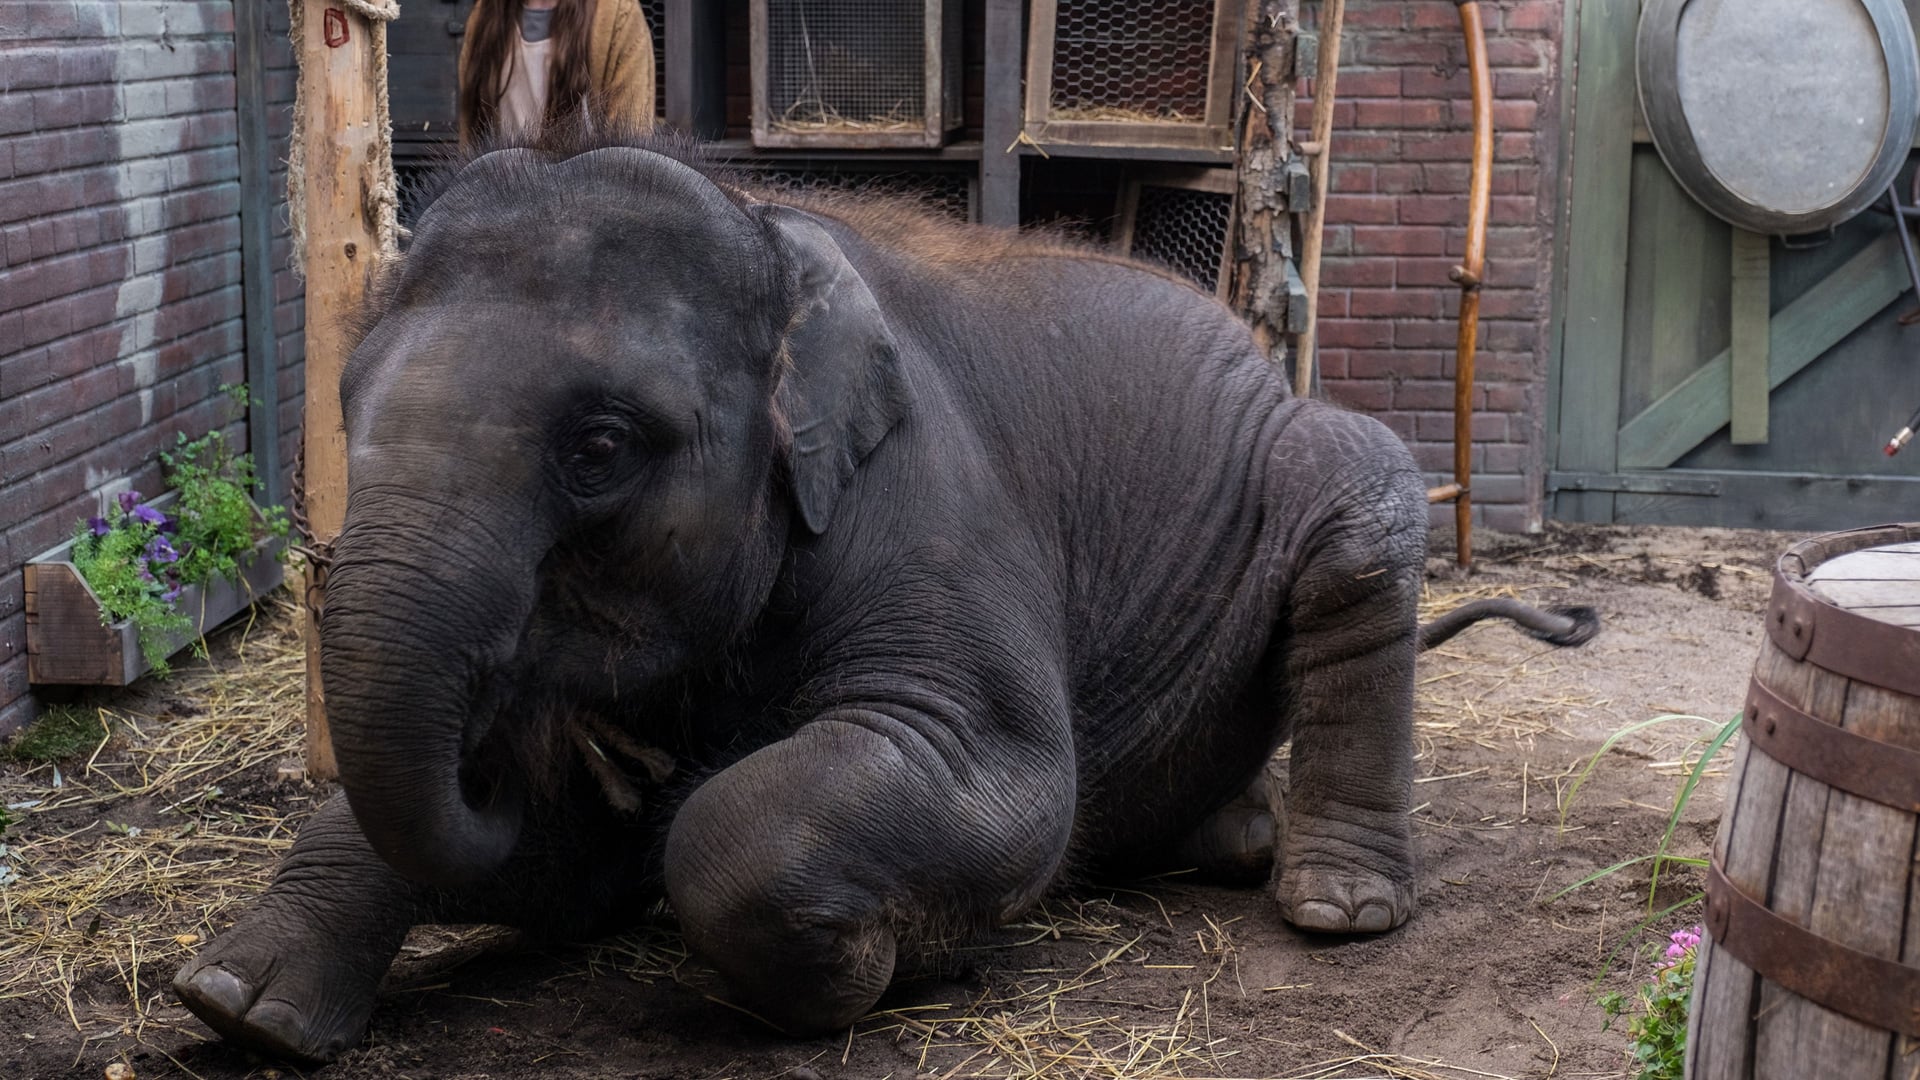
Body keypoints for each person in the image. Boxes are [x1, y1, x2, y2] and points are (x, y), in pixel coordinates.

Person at [457, 0, 655, 146]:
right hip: (503, 183)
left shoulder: (618, 14)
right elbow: (471, 135)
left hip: (586, 185)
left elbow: (631, 140)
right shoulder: (483, 15)